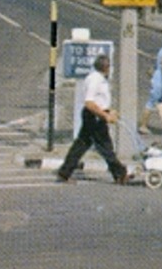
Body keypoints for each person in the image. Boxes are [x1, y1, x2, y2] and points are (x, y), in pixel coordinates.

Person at [55, 55, 130, 184]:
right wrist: (105, 115)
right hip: (94, 116)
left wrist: (110, 111)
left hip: (96, 115)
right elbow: (89, 103)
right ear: (105, 67)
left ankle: (64, 173)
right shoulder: (95, 80)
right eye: (109, 66)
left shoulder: (99, 79)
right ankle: (120, 173)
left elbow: (101, 100)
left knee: (81, 144)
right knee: (105, 146)